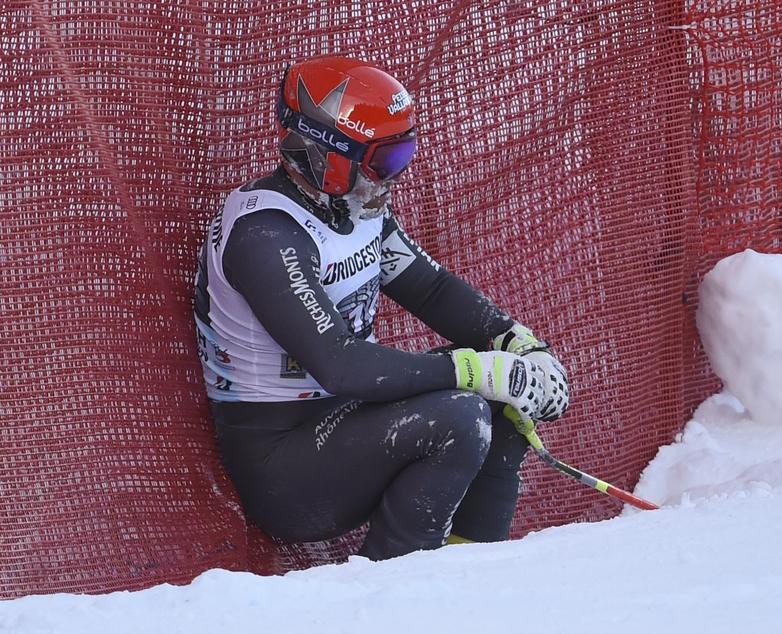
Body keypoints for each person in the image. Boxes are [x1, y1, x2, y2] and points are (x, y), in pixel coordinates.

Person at [192, 55, 570, 560]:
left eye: (403, 155)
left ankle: (477, 568)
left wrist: (517, 344)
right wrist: (478, 369)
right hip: (281, 460)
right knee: (459, 413)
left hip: (346, 419)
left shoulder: (352, 206)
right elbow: (341, 364)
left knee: (503, 395)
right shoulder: (265, 234)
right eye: (385, 161)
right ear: (325, 155)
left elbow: (430, 289)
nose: (395, 176)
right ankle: (396, 586)